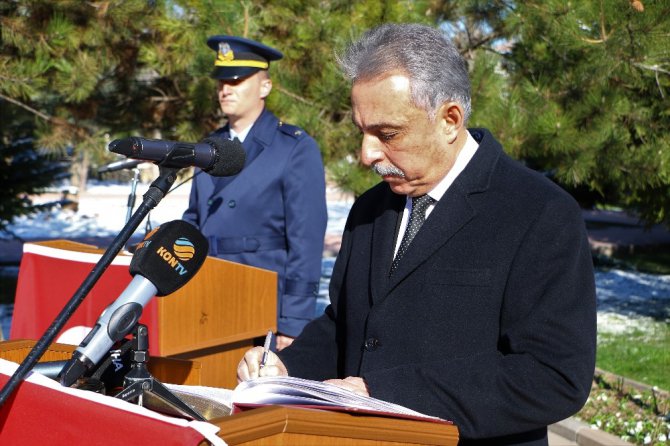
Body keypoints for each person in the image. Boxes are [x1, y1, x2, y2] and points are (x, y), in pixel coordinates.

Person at [237, 23, 597, 445]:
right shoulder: (371, 209)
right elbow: (346, 323)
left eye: (387, 134)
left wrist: (383, 394)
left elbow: (552, 375)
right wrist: (286, 369)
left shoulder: (539, 212)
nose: (367, 154)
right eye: (362, 131)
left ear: (449, 119)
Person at [183, 35, 328, 350]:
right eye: (222, 81)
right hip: (205, 296)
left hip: (261, 304)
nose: (226, 88)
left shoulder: (294, 147)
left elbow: (306, 241)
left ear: (265, 87)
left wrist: (293, 322)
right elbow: (194, 218)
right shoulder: (208, 146)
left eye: (237, 79)